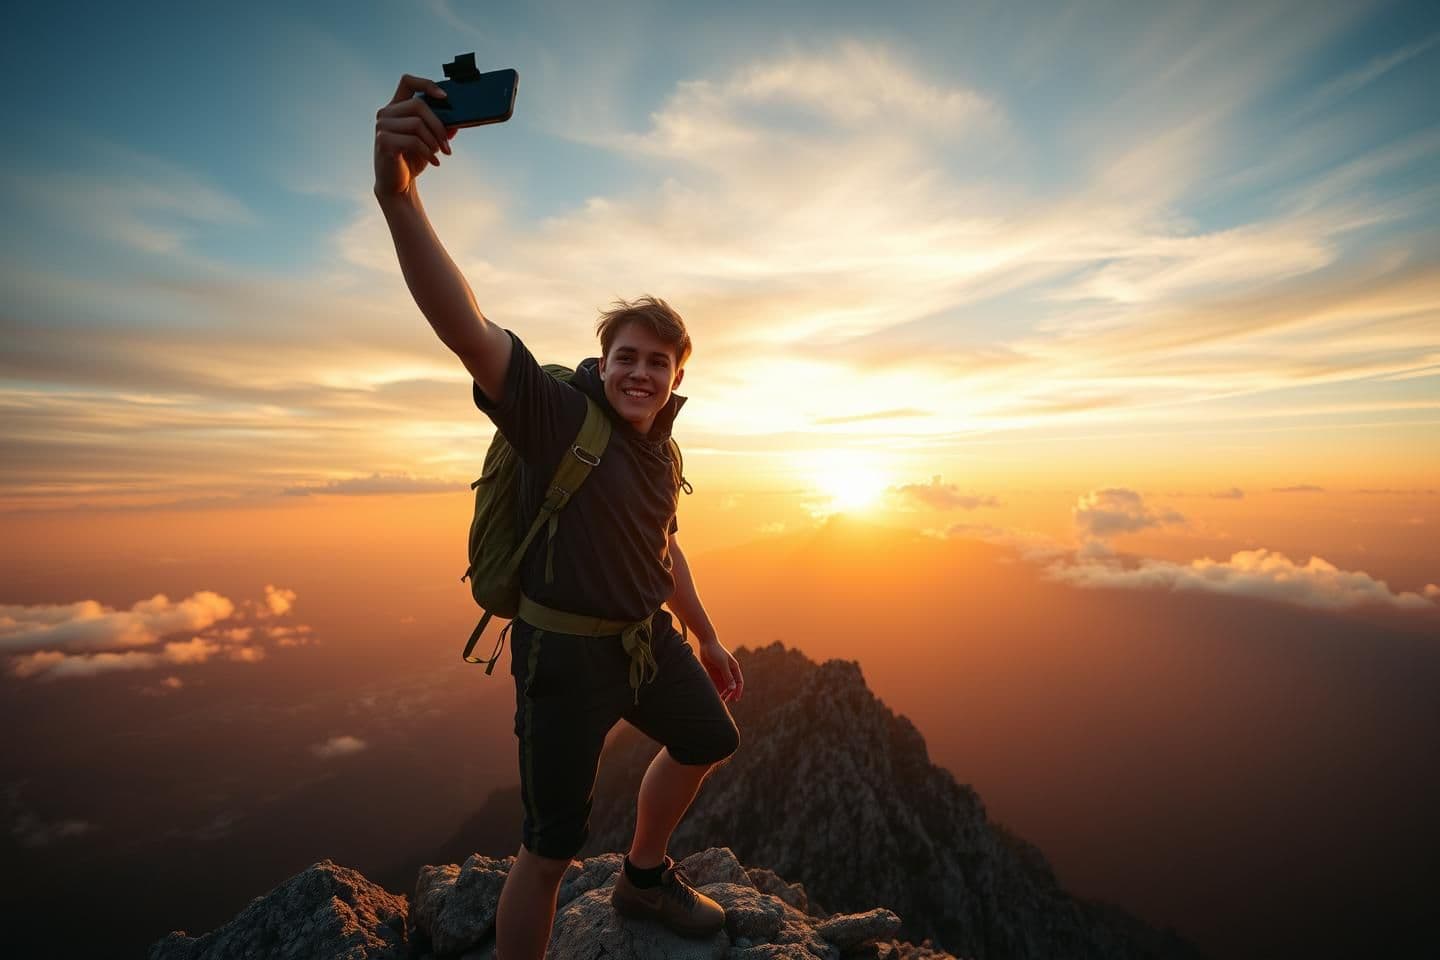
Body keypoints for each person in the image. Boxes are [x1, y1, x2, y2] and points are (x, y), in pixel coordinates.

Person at [373, 74, 745, 960]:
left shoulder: (662, 446)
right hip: (562, 658)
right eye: (626, 357)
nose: (640, 373)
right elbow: (464, 325)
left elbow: (663, 544)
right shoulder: (553, 416)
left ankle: (644, 879)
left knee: (708, 737)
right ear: (603, 360)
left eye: (658, 362)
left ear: (677, 376)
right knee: (546, 851)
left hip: (643, 638)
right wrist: (397, 196)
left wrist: (705, 635)